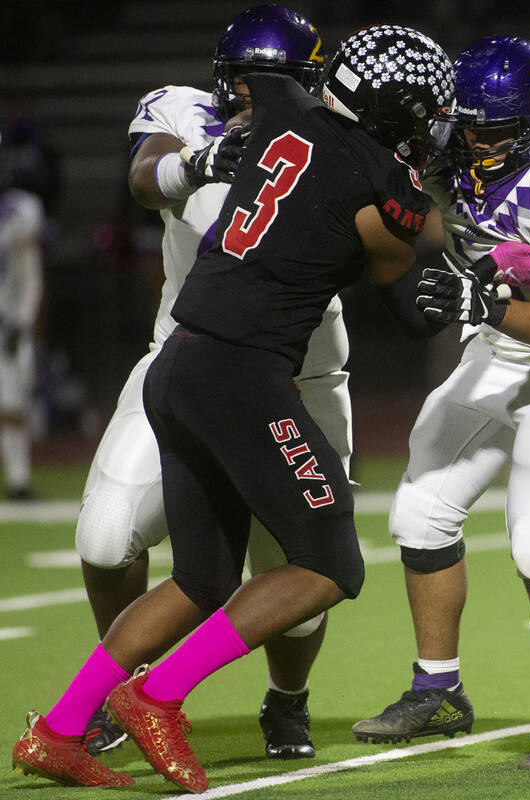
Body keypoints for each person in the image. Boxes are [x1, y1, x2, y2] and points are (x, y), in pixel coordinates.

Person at [12, 23, 453, 791]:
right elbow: (412, 307)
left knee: (200, 579)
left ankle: (58, 731)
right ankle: (156, 695)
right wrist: (468, 294)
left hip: (178, 362)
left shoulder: (279, 117)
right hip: (243, 377)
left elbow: (268, 94)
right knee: (329, 564)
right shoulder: (386, 186)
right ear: (401, 114)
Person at [71, 5, 341, 759]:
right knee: (104, 538)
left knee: (299, 573)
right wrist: (197, 164)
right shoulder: (187, 117)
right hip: (187, 360)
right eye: (246, 84)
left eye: (275, 83)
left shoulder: (342, 132)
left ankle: (288, 699)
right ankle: (124, 691)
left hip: (299, 375)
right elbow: (143, 176)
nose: (257, 96)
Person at [351, 35, 530, 770]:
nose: (476, 142)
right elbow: (434, 216)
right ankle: (438, 689)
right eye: (467, 125)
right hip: (496, 354)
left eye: (496, 130)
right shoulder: (445, 142)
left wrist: (480, 296)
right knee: (417, 512)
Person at [0, 141, 44, 502]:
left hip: (5, 322)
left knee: (13, 403)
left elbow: (29, 271)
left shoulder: (18, 209)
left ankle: (18, 481)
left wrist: (23, 319)